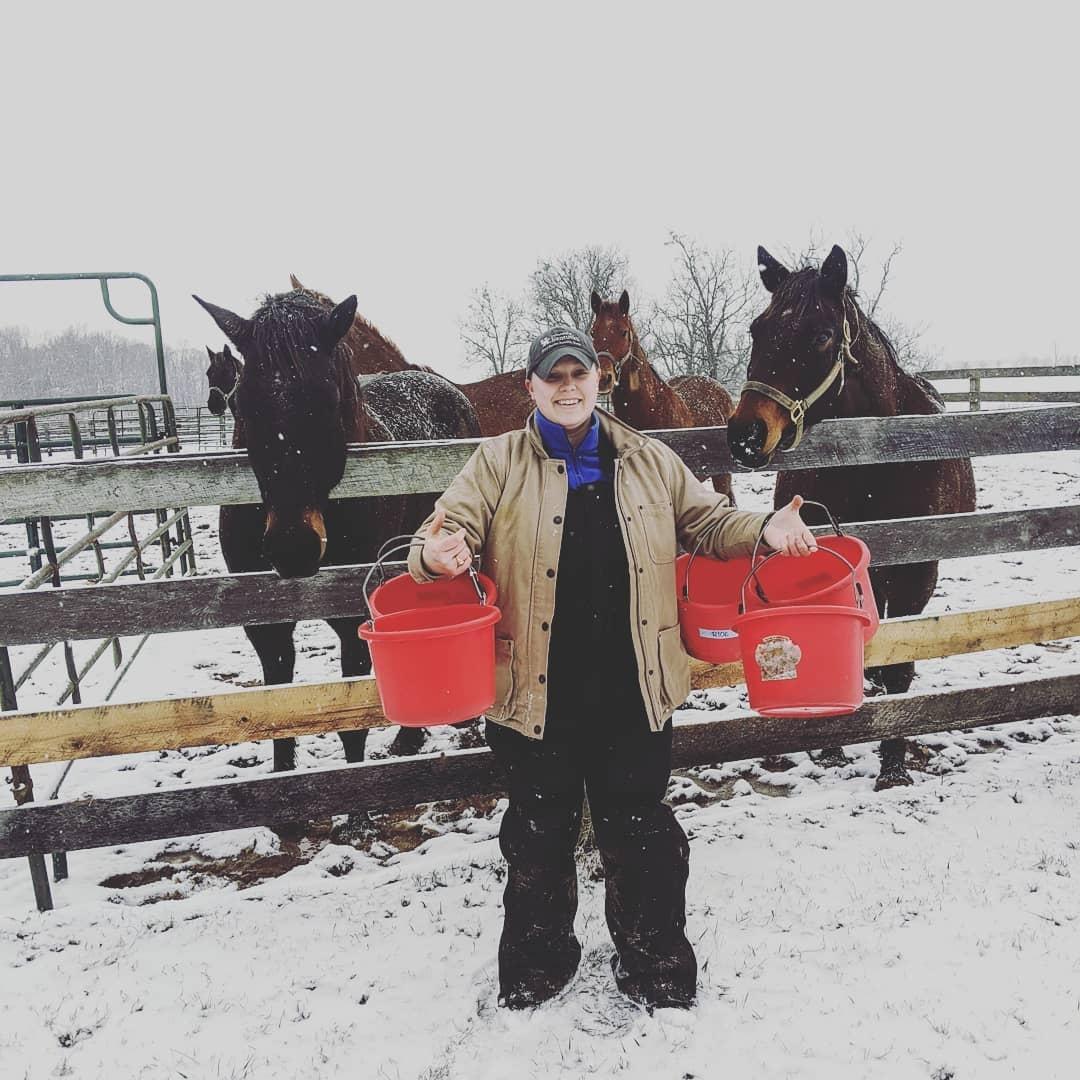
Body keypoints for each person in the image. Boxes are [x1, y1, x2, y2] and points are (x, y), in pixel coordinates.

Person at [408, 325, 817, 1011]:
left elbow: (711, 523)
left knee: (639, 827)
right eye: (553, 377)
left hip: (634, 680)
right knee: (539, 832)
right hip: (537, 686)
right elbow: (443, 531)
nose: (568, 388)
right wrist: (438, 555)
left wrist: (766, 530)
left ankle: (655, 961)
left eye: (578, 375)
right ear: (530, 387)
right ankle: (538, 963)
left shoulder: (647, 458)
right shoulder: (498, 460)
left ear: (599, 380)